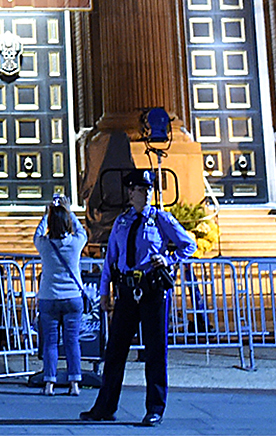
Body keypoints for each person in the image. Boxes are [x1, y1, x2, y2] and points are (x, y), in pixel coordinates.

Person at [81, 170, 195, 427]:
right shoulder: (122, 222)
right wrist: (103, 292)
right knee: (115, 352)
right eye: (140, 189)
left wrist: (168, 259)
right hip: (126, 291)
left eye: (148, 189)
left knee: (155, 352)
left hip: (152, 291)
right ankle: (105, 407)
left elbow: (189, 245)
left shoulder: (161, 219)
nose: (145, 194)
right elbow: (111, 259)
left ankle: (155, 407)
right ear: (130, 192)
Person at [35, 194, 85, 397]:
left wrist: (47, 215)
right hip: (73, 297)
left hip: (49, 297)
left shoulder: (44, 244)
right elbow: (82, 230)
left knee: (50, 342)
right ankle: (74, 384)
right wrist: (69, 211)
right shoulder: (76, 243)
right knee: (72, 341)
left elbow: (37, 234)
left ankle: (49, 383)